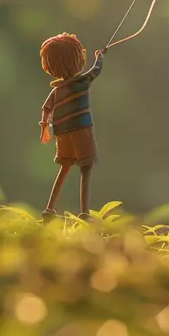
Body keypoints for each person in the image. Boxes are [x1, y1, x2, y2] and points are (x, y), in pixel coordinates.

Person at [38, 32, 106, 218]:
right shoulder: (82, 81)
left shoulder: (57, 90)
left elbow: (46, 108)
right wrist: (99, 57)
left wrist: (44, 127)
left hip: (62, 132)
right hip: (81, 129)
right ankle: (84, 212)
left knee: (65, 166)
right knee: (86, 167)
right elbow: (96, 70)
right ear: (76, 59)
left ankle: (49, 209)